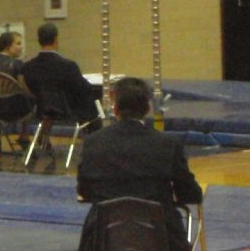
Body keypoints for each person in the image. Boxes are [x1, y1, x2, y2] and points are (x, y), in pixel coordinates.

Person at [77, 77, 203, 251]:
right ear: (148, 108)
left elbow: (84, 191)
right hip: (160, 239)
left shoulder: (93, 142)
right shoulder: (167, 143)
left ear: (115, 108)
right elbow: (191, 194)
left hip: (104, 239)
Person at [20, 22, 99, 127]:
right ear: (56, 40)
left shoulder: (27, 67)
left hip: (42, 111)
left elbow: (30, 90)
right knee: (93, 109)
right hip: (67, 111)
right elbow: (83, 89)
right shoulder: (68, 66)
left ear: (39, 41)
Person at [0, 31, 33, 147]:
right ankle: (27, 135)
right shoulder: (17, 65)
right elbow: (24, 89)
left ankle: (23, 137)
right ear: (8, 46)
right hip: (18, 110)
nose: (21, 47)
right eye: (18, 43)